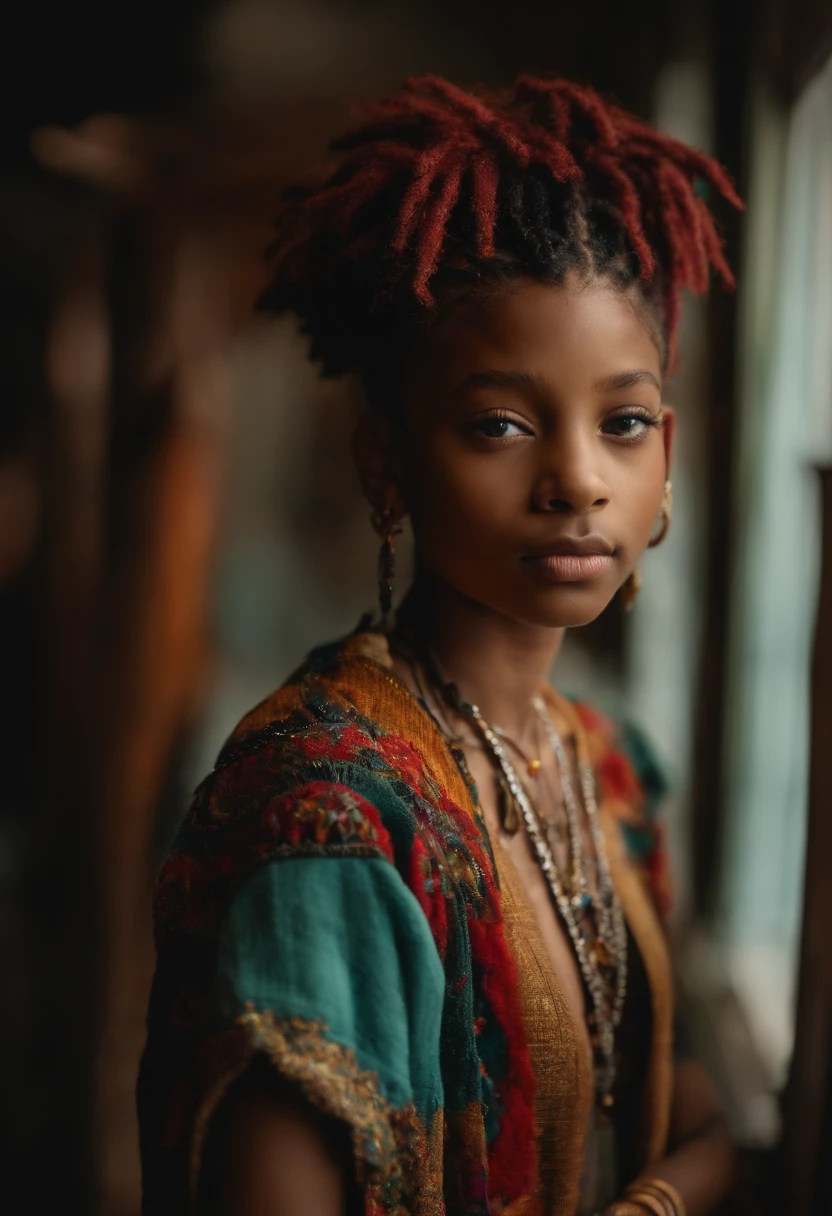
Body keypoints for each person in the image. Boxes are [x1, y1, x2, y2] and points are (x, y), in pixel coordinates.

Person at [137, 74, 742, 1216]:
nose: (575, 479)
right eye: (500, 424)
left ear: (663, 455)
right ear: (386, 462)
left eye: (620, 422)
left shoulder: (606, 773)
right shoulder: (328, 825)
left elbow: (686, 1115)